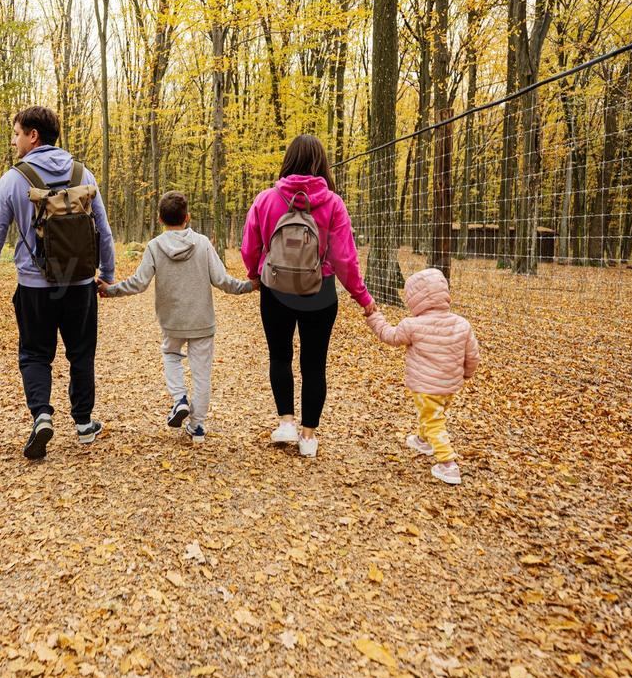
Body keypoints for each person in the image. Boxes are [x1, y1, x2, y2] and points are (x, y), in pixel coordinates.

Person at [0, 105, 116, 459]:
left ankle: (41, 415)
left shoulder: (14, 179)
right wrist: (108, 274)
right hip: (81, 285)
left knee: (35, 354)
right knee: (81, 353)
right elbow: (103, 229)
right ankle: (84, 423)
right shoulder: (84, 174)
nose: (14, 140)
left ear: (33, 135)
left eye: (17, 133)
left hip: (34, 287)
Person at [241, 134, 376, 459]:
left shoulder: (266, 199)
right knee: (315, 365)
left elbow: (250, 245)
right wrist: (363, 297)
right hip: (320, 290)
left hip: (275, 289)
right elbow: (345, 259)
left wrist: (255, 275)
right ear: (322, 163)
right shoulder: (332, 203)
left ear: (289, 160)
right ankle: (309, 437)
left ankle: (286, 421)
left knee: (280, 356)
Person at [98, 191, 256, 444]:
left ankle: (180, 398)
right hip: (202, 321)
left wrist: (110, 289)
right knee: (201, 373)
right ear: (188, 217)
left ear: (160, 219)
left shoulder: (155, 246)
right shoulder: (203, 243)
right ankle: (197, 426)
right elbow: (222, 281)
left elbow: (139, 283)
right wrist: (249, 285)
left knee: (171, 355)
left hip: (172, 321)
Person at [365, 267, 479, 485]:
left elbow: (389, 335)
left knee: (433, 419)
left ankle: (448, 464)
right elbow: (472, 356)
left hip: (426, 387)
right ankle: (423, 440)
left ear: (414, 299)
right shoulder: (462, 324)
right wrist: (466, 374)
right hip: (450, 386)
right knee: (434, 414)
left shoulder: (412, 325)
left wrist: (374, 317)